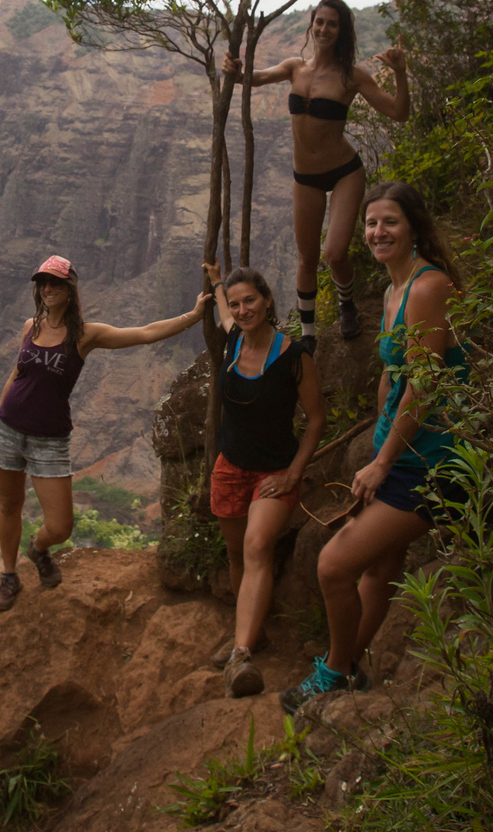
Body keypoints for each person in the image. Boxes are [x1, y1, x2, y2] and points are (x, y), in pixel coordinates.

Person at [281, 182, 466, 712]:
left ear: (413, 227)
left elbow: (426, 384)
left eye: (389, 223)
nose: (377, 232)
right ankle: (347, 670)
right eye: (370, 224)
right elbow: (396, 373)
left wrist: (382, 461)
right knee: (378, 568)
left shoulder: (428, 287)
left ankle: (335, 671)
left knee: (333, 566)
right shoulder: (392, 291)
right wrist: (381, 434)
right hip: (403, 448)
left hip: (434, 459)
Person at [0, 255, 210, 612]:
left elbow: (145, 333)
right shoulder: (31, 326)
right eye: (42, 283)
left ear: (69, 290)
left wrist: (193, 317)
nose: (47, 289)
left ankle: (39, 549)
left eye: (55, 283)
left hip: (50, 440)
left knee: (60, 527)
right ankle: (9, 576)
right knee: (9, 505)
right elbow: (17, 376)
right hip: (8, 430)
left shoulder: (85, 335)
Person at [221, 0, 410, 348]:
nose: (324, 29)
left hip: (343, 172)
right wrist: (232, 68)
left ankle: (347, 304)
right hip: (303, 176)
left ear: (342, 31)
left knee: (334, 254)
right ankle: (308, 335)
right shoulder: (295, 67)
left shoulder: (351, 76)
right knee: (307, 257)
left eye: (332, 24)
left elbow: (398, 112)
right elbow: (253, 79)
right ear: (311, 25)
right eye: (319, 22)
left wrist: (399, 71)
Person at [202, 261, 324, 697]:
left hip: (273, 473)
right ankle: (254, 634)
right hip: (230, 468)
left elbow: (316, 419)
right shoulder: (234, 338)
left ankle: (240, 655)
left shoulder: (294, 357)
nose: (242, 309)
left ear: (268, 300)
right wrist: (218, 281)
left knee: (256, 547)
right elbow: (222, 308)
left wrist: (293, 475)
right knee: (237, 554)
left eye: (250, 300)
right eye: (237, 304)